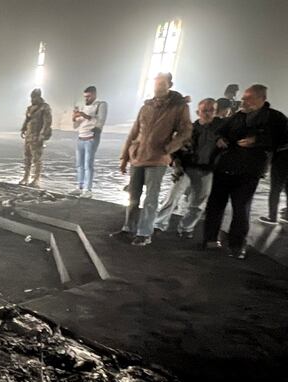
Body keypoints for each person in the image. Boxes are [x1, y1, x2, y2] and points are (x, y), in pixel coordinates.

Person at [203, 84, 288, 259]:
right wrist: (220, 139)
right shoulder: (238, 116)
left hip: (249, 171)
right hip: (225, 167)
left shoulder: (275, 118)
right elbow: (220, 131)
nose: (243, 101)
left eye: (248, 98)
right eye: (243, 98)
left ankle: (237, 245)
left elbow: (282, 141)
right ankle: (210, 239)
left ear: (261, 99)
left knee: (241, 208)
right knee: (215, 205)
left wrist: (257, 140)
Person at [115, 72, 192, 246]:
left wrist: (170, 148)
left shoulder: (178, 107)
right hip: (138, 156)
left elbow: (186, 130)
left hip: (157, 158)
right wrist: (124, 157)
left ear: (169, 85)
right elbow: (134, 132)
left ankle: (144, 233)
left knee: (151, 198)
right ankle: (128, 228)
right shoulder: (146, 107)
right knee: (133, 195)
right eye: (156, 84)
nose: (158, 87)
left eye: (161, 84)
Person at [152, 98, 223, 238]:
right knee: (172, 197)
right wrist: (176, 164)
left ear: (216, 112)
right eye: (205, 110)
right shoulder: (188, 129)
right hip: (186, 168)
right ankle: (159, 224)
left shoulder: (222, 129)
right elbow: (175, 148)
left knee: (198, 203)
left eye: (211, 110)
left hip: (206, 170)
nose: (208, 113)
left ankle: (186, 228)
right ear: (198, 112)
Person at [70, 86, 108, 198]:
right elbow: (75, 125)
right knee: (79, 164)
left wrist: (83, 115)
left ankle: (88, 190)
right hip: (80, 137)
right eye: (85, 97)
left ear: (94, 94)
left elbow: (100, 121)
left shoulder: (101, 105)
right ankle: (80, 187)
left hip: (91, 138)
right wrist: (74, 117)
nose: (86, 99)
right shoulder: (83, 107)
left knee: (88, 164)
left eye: (88, 96)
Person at [20, 88, 52, 187]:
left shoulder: (44, 107)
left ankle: (36, 179)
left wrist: (42, 135)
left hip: (37, 136)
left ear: (39, 97)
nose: (32, 99)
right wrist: (23, 129)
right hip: (29, 135)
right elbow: (27, 119)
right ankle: (26, 177)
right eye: (32, 97)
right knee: (27, 157)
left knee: (36, 158)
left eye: (34, 97)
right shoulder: (30, 108)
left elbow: (47, 122)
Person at [258, 121, 288, 225]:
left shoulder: (282, 128)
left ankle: (272, 217)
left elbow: (272, 148)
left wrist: (265, 168)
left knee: (275, 189)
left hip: (280, 162)